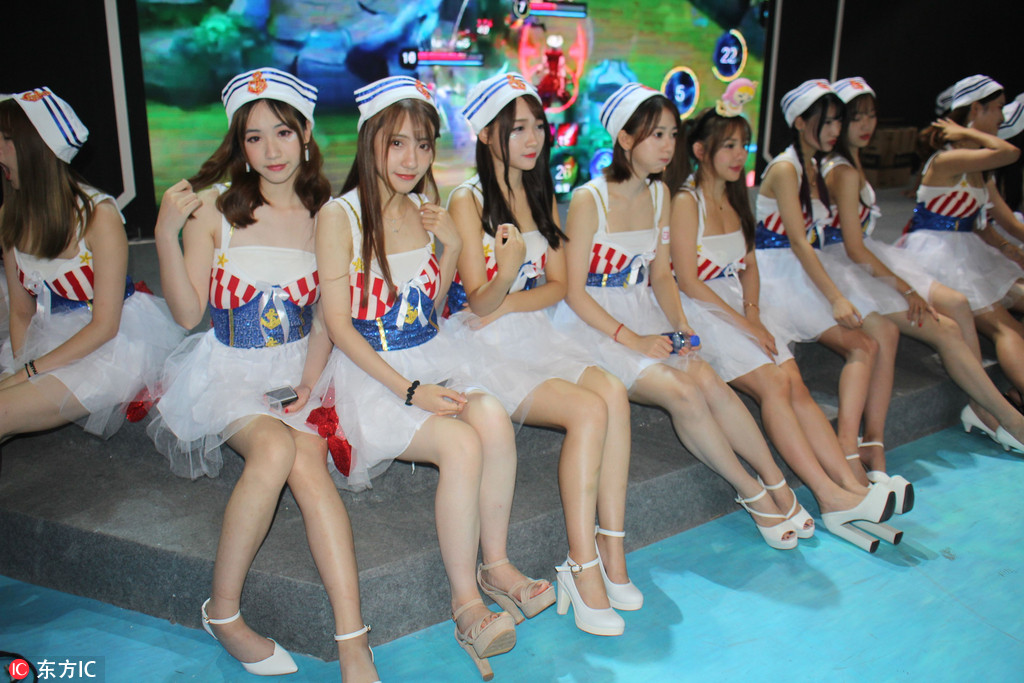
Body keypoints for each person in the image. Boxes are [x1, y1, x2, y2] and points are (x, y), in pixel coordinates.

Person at [553, 83, 888, 552]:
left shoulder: (660, 194)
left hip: (643, 312)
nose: (668, 146)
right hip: (596, 324)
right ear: (625, 139)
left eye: (672, 134)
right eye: (656, 135)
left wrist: (681, 324)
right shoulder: (591, 198)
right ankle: (753, 492)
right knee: (684, 391)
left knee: (708, 378)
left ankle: (779, 485)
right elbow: (573, 293)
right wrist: (634, 339)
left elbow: (662, 277)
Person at [148, 68, 377, 681]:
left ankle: (353, 639)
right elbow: (188, 314)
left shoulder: (329, 215)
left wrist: (307, 384)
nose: (271, 150)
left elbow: (326, 319)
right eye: (253, 137)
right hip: (227, 370)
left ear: (305, 134)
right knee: (274, 449)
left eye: (282, 132)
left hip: (301, 369)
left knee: (309, 466)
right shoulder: (215, 213)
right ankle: (223, 613)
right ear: (239, 146)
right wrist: (165, 234)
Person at [305, 75, 537, 679]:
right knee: (461, 443)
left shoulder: (422, 209)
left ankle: (496, 565)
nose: (412, 159)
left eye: (424, 144)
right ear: (370, 143)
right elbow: (338, 326)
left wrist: (450, 248)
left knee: (492, 417)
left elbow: (426, 314)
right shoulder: (339, 216)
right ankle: (465, 605)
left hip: (427, 354)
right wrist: (410, 391)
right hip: (371, 376)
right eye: (397, 143)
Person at [446, 73, 633, 637]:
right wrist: (504, 288)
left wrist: (508, 298)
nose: (533, 139)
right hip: (484, 345)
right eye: (517, 128)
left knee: (612, 391)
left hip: (531, 328)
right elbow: (478, 300)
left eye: (537, 127)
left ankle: (612, 546)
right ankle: (581, 564)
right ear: (486, 134)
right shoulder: (466, 200)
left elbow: (557, 286)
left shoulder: (538, 192)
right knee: (588, 409)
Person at [668, 103, 900, 553]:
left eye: (743, 145)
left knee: (795, 382)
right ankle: (828, 494)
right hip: (701, 312)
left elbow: (750, 264)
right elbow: (689, 281)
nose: (739, 155)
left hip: (739, 306)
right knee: (775, 384)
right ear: (700, 150)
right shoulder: (685, 200)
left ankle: (851, 485)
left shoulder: (736, 194)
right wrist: (744, 323)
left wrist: (754, 314)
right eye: (728, 146)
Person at [822, 76, 1024, 462]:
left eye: (871, 116)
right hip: (849, 264)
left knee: (959, 309)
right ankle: (1004, 416)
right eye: (855, 118)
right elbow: (850, 245)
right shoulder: (842, 169)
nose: (866, 125)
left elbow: (989, 221)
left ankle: (987, 408)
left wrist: (1004, 247)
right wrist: (905, 289)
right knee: (986, 324)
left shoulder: (849, 162)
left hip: (869, 256)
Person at [754, 81, 912, 535]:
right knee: (861, 344)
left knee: (868, 343)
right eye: (826, 122)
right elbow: (798, 242)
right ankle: (849, 453)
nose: (835, 130)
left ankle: (854, 448)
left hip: (798, 272)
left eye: (837, 121)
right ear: (800, 123)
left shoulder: (813, 166)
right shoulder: (786, 168)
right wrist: (836, 297)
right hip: (779, 275)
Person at [0, 88, 182, 444]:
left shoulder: (99, 216)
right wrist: (20, 368)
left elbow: (104, 327)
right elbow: (21, 313)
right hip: (47, 337)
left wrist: (28, 373)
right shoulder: (11, 213)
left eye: (6, 139)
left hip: (109, 348)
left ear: (37, 148)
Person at [895, 75, 1024, 450]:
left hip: (966, 249)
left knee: (1012, 319)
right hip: (937, 253)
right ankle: (989, 407)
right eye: (996, 109)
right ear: (975, 110)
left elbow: (980, 222)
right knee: (1003, 327)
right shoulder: (950, 157)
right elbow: (1010, 153)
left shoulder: (975, 163)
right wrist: (968, 132)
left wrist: (1008, 248)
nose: (1002, 117)